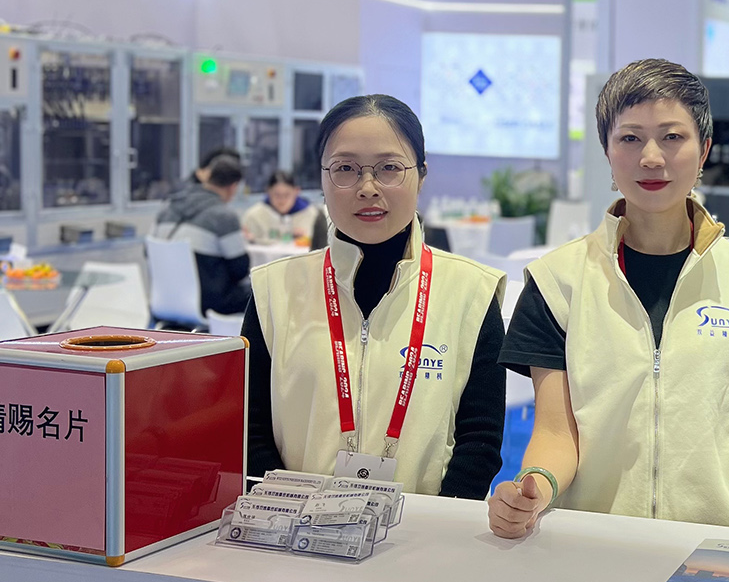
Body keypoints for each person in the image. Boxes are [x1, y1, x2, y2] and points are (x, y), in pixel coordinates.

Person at [490, 58, 729, 539]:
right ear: (607, 152)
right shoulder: (558, 281)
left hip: (725, 543)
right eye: (630, 138)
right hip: (603, 543)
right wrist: (535, 487)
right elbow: (555, 432)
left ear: (703, 151)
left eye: (672, 137)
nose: (651, 157)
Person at [241, 94, 506, 497]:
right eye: (345, 168)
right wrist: (291, 513)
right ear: (322, 178)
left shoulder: (471, 291)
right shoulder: (273, 291)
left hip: (423, 529)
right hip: (293, 527)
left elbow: (480, 440)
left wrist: (432, 524)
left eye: (389, 168)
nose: (367, 188)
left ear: (421, 175)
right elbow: (251, 428)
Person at [153, 152, 251, 317]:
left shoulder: (167, 207)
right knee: (263, 293)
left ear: (207, 178)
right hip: (208, 304)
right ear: (233, 187)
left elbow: (148, 253)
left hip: (165, 300)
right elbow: (240, 269)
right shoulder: (224, 216)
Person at [242, 169, 318, 248]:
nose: (282, 200)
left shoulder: (312, 214)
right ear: (268, 191)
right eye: (277, 195)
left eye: (287, 195)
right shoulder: (254, 215)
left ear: (296, 191)